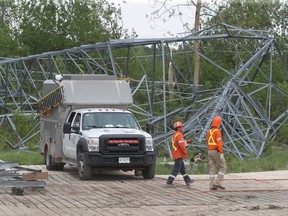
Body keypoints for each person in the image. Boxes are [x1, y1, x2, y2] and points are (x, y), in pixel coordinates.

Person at [166, 121, 194, 187]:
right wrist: (185, 153)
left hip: (177, 154)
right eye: (181, 127)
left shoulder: (175, 134)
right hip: (178, 155)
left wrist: (188, 141)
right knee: (176, 169)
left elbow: (180, 142)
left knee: (182, 169)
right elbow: (181, 145)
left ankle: (188, 181)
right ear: (178, 128)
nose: (182, 128)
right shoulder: (179, 134)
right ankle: (169, 182)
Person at [206, 115, 227, 190]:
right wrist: (221, 153)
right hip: (216, 151)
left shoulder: (209, 131)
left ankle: (212, 185)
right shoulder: (217, 132)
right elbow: (219, 143)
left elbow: (207, 142)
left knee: (212, 168)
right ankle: (218, 183)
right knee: (223, 167)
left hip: (209, 151)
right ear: (219, 123)